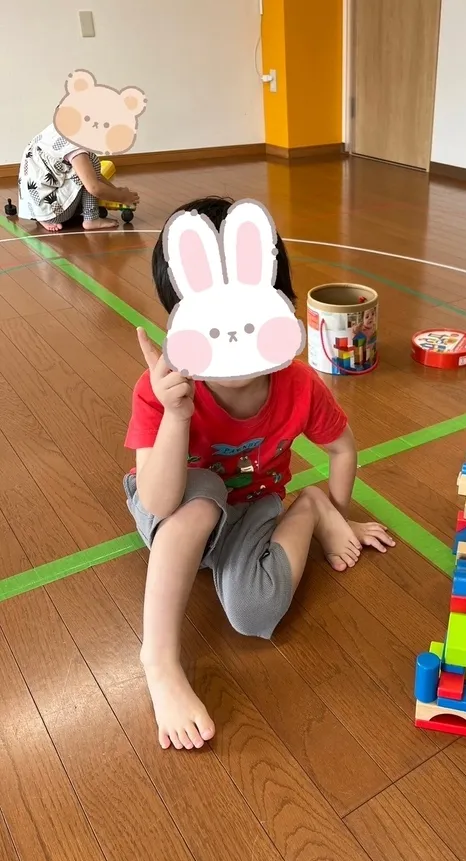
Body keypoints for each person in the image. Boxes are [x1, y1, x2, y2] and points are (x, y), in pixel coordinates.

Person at [124, 195, 395, 751]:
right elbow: (157, 501)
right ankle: (160, 660)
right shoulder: (166, 387)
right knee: (196, 501)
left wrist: (337, 514)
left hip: (256, 505)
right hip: (179, 496)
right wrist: (176, 416)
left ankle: (310, 508)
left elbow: (343, 449)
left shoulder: (298, 384)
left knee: (254, 615)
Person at [17, 124, 139, 232]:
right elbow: (94, 187)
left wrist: (115, 191)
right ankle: (91, 219)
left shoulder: (52, 132)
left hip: (35, 209)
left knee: (83, 168)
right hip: (55, 213)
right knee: (90, 161)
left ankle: (45, 218)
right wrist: (123, 197)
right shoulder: (75, 148)